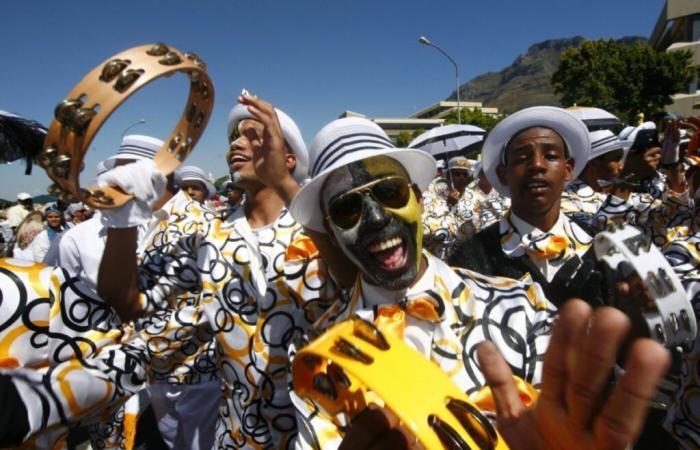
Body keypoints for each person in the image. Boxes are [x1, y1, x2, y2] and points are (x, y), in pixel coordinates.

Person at [252, 112, 671, 450]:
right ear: (330, 228)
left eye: (390, 194)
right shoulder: (323, 355)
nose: (377, 221)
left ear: (418, 198)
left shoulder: (520, 306)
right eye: (347, 209)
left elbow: (567, 423)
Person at [96, 94, 333, 449]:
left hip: (318, 430)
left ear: (288, 159)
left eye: (255, 136)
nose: (237, 143)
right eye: (234, 137)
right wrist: (121, 218)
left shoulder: (319, 228)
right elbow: (128, 302)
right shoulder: (207, 235)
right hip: (238, 434)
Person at [448, 107, 607, 308]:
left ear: (568, 169)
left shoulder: (600, 246)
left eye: (550, 156)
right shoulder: (470, 259)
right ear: (503, 173)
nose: (537, 165)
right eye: (522, 158)